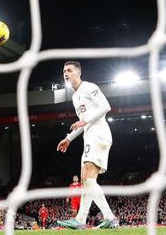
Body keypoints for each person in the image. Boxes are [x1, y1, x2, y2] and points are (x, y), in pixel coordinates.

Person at [56, 61, 118, 230]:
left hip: (99, 134)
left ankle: (82, 219)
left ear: (78, 73)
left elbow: (106, 106)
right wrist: (68, 138)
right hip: (90, 135)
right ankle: (108, 217)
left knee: (87, 177)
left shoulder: (89, 87)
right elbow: (82, 123)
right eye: (64, 71)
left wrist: (85, 121)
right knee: (88, 180)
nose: (66, 74)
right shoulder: (75, 97)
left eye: (69, 70)